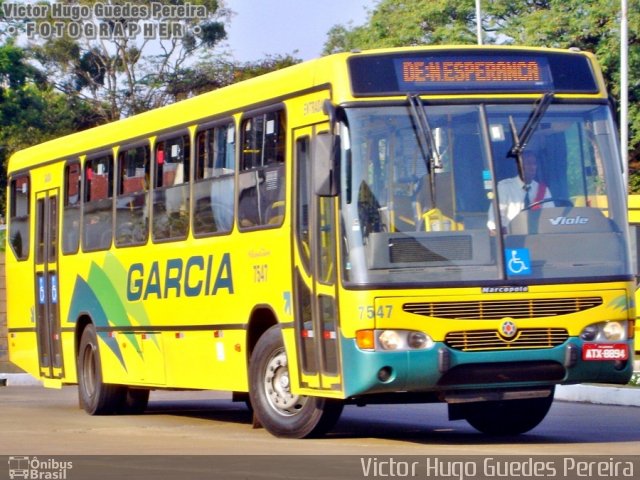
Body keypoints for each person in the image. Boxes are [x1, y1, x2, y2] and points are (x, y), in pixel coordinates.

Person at [487, 151, 553, 232]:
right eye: (528, 163)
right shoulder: (504, 187)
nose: (532, 167)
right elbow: (494, 221)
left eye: (534, 164)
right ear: (519, 166)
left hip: (538, 239)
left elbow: (551, 218)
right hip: (511, 240)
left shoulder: (543, 190)